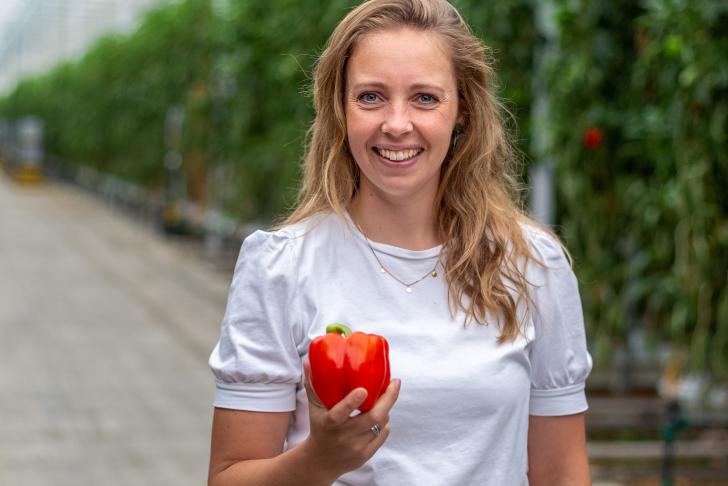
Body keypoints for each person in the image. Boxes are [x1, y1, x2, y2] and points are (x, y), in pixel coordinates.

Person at [207, 0, 593, 484]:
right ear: (339, 108)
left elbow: (560, 474)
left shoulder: (531, 264)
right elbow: (228, 476)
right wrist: (319, 460)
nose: (396, 123)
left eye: (425, 98)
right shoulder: (281, 266)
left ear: (463, 111)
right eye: (370, 97)